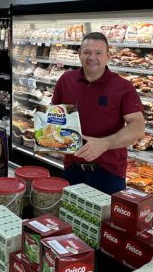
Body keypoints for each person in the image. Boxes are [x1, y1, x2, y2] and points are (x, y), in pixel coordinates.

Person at [51, 32, 145, 194]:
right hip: (72, 168)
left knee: (107, 211)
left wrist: (104, 144)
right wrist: (51, 137)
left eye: (98, 53)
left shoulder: (123, 87)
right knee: (69, 210)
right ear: (79, 54)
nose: (92, 57)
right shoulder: (66, 80)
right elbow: (55, 113)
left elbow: (138, 127)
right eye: (87, 52)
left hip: (109, 173)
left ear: (108, 56)